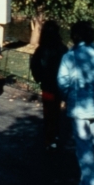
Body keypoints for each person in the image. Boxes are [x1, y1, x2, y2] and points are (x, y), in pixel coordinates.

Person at [57, 21, 94, 185]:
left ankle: (90, 184)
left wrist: (67, 96)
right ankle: (89, 175)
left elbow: (62, 82)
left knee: (83, 144)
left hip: (78, 105)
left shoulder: (69, 57)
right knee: (91, 141)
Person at [30, 20, 66, 148]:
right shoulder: (62, 48)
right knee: (56, 110)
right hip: (59, 84)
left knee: (48, 111)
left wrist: (38, 78)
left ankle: (49, 138)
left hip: (47, 84)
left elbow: (34, 65)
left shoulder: (41, 49)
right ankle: (55, 135)